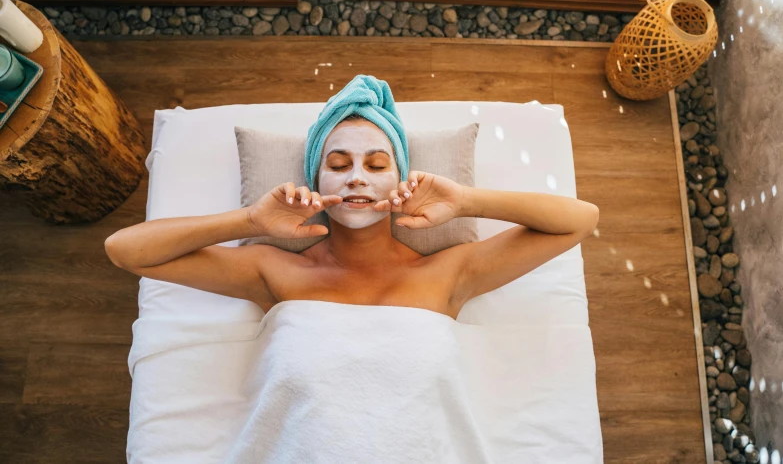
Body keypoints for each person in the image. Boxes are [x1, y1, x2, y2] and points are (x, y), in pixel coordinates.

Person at [104, 76, 599, 321]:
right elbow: (125, 251)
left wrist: (466, 200)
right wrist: (247, 219)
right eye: (338, 166)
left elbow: (579, 220)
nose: (357, 178)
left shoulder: (449, 273)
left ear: (399, 180)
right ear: (315, 183)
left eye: (377, 166)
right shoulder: (273, 271)